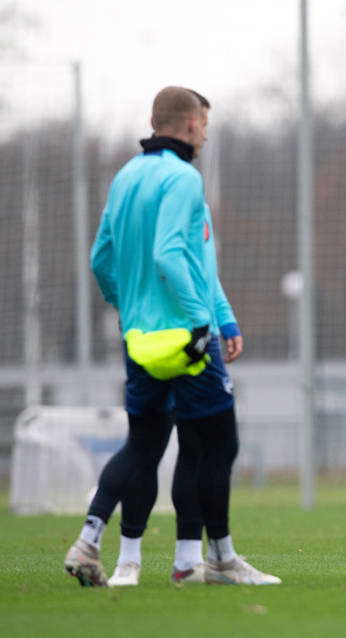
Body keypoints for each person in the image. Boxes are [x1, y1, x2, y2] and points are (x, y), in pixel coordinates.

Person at [63, 87, 279, 587]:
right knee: (216, 444)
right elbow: (169, 256)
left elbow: (101, 258)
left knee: (144, 443)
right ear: (186, 125)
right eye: (203, 123)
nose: (205, 132)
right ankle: (218, 560)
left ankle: (120, 547)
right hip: (185, 337)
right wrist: (202, 321)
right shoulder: (183, 179)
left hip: (139, 337)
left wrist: (127, 307)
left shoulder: (126, 176)